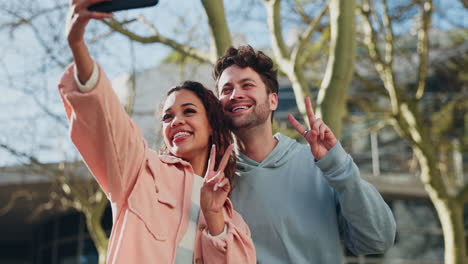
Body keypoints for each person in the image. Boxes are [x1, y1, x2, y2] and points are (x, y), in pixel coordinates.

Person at [58, 1, 255, 263]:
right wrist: (77, 45)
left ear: (212, 126)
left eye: (189, 111)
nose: (176, 122)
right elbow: (108, 120)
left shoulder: (235, 223)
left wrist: (214, 218)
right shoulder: (139, 172)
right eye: (167, 116)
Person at [213, 45, 396, 263]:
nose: (236, 95)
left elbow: (377, 240)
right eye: (226, 90)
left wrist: (338, 167)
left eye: (247, 85)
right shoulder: (214, 181)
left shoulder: (322, 164)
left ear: (273, 100)